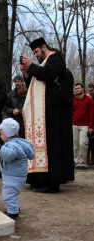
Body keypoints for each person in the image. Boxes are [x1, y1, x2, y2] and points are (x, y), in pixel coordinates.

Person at [20, 37, 74, 193]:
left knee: (53, 147)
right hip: (43, 113)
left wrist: (32, 66)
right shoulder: (43, 64)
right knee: (43, 147)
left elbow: (48, 74)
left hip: (54, 112)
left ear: (44, 47)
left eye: (37, 51)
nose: (36, 55)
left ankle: (52, 183)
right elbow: (37, 84)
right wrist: (26, 73)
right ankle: (39, 179)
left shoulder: (55, 59)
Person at [0, 118, 34, 219]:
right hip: (16, 174)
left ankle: (13, 212)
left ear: (8, 133)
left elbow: (10, 155)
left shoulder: (13, 145)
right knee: (12, 192)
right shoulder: (20, 142)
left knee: (8, 193)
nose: (0, 136)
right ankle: (14, 207)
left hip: (13, 174)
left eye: (2, 134)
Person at [73, 83, 94, 169]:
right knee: (75, 144)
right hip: (74, 124)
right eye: (76, 89)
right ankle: (77, 163)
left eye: (78, 88)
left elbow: (91, 114)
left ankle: (83, 163)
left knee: (83, 144)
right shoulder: (73, 99)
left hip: (85, 125)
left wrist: (90, 127)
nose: (77, 90)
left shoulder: (89, 100)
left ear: (83, 89)